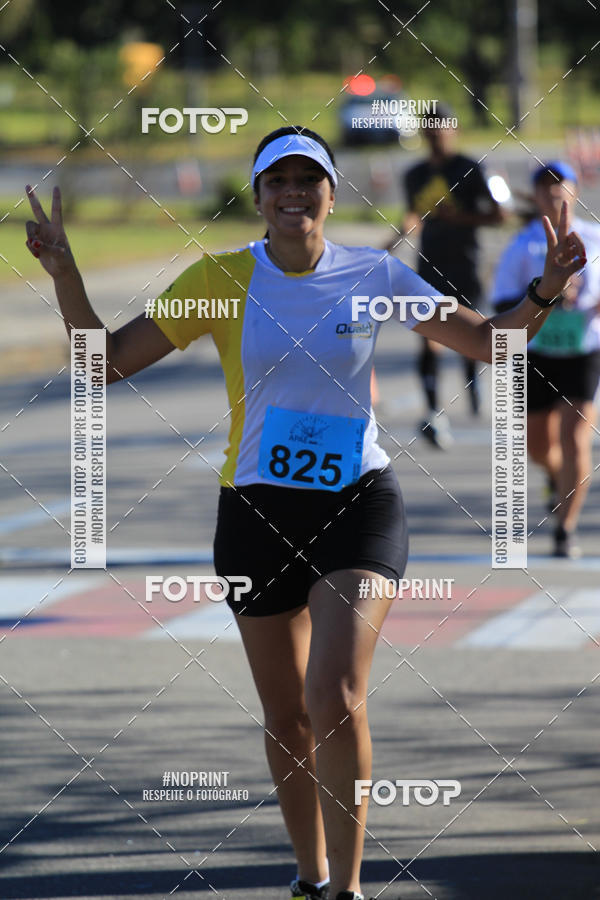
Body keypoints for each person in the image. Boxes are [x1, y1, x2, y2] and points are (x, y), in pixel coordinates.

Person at [25, 127, 585, 900]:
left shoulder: (374, 272)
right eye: (276, 182)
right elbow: (104, 362)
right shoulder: (218, 279)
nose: (293, 194)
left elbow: (491, 345)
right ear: (258, 198)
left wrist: (547, 288)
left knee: (335, 696)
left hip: (359, 504)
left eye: (308, 180)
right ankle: (311, 875)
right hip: (255, 512)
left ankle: (348, 889)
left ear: (331, 192)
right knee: (287, 718)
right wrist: (63, 272)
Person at [491, 160, 600, 558]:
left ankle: (565, 529)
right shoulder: (523, 244)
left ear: (576, 191)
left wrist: (584, 300)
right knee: (539, 447)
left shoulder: (595, 238)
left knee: (576, 439)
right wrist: (546, 295)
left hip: (583, 351)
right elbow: (501, 300)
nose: (555, 193)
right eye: (546, 187)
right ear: (535, 196)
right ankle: (555, 477)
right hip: (536, 354)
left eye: (562, 186)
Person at [386, 105, 503, 448]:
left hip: (465, 263)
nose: (436, 133)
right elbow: (412, 216)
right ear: (423, 133)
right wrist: (387, 247)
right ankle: (434, 410)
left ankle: (472, 381)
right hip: (429, 264)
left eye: (442, 127)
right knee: (428, 338)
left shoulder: (469, 168)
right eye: (430, 128)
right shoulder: (414, 175)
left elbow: (497, 216)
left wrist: (458, 218)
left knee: (471, 335)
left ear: (454, 129)